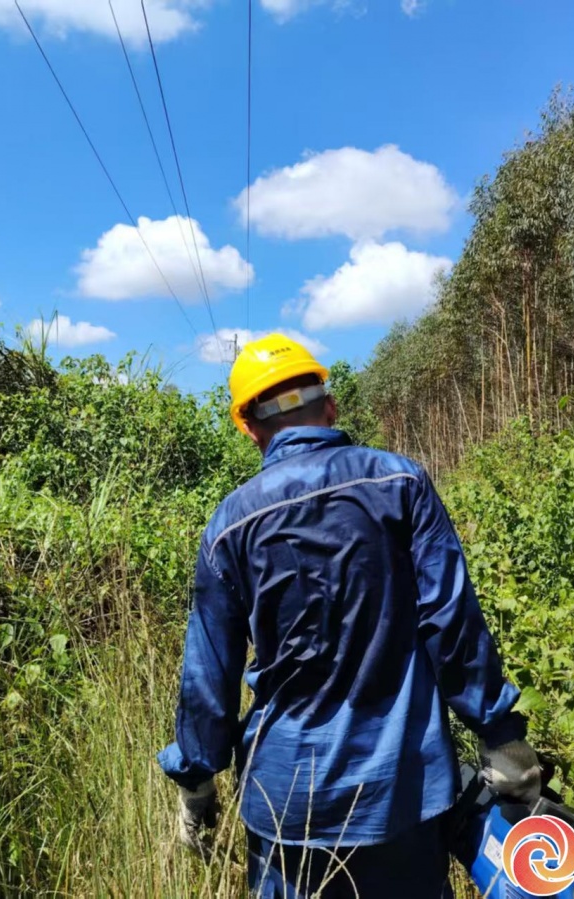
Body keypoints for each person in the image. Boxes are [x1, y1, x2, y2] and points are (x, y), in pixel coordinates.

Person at [158, 333, 540, 898]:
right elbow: (452, 625)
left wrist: (196, 782)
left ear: (250, 428)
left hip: (286, 803)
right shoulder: (401, 483)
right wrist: (501, 738)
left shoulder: (228, 527)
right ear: (331, 406)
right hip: (403, 794)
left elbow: (207, 675)